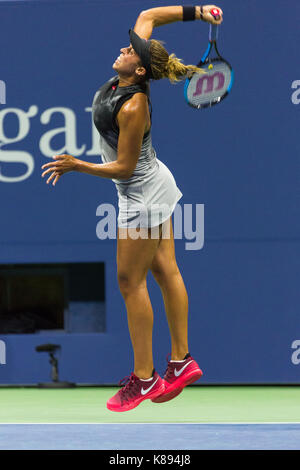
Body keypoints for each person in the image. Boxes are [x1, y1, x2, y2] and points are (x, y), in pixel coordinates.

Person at [41, 4, 223, 412]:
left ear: (139, 71)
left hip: (140, 195)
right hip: (157, 184)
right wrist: (200, 12)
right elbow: (150, 15)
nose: (124, 49)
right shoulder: (130, 73)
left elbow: (123, 167)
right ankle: (181, 361)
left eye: (130, 51)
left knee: (130, 281)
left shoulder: (134, 105)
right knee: (165, 270)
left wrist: (77, 165)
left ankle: (144, 379)